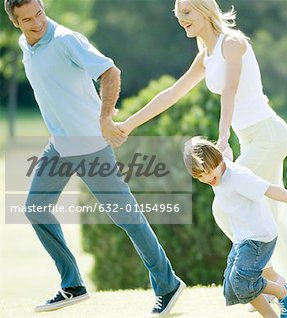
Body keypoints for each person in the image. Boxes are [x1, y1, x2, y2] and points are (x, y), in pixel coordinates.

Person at [117, 1, 287, 314]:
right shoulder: (206, 56)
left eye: (187, 13)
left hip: (268, 134)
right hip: (250, 137)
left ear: (203, 9)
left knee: (225, 204)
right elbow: (172, 93)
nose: (182, 20)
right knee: (276, 219)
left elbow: (230, 89)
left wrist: (222, 136)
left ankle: (270, 284)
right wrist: (128, 125)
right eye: (178, 15)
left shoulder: (233, 43)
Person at [4, 0, 185, 315]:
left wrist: (105, 118)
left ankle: (167, 284)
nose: (37, 24)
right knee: (35, 208)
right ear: (15, 22)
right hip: (59, 146)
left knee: (125, 215)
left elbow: (110, 71)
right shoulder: (25, 44)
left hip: (89, 144)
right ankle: (72, 284)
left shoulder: (65, 40)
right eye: (27, 20)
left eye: (40, 14)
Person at [183, 136, 287, 318]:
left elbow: (269, 189)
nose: (207, 178)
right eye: (199, 176)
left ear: (216, 160)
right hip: (243, 238)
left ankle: (284, 293)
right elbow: (225, 154)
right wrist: (222, 140)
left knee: (242, 282)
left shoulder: (239, 176)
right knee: (233, 286)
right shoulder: (219, 170)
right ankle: (278, 300)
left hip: (258, 236)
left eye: (207, 172)